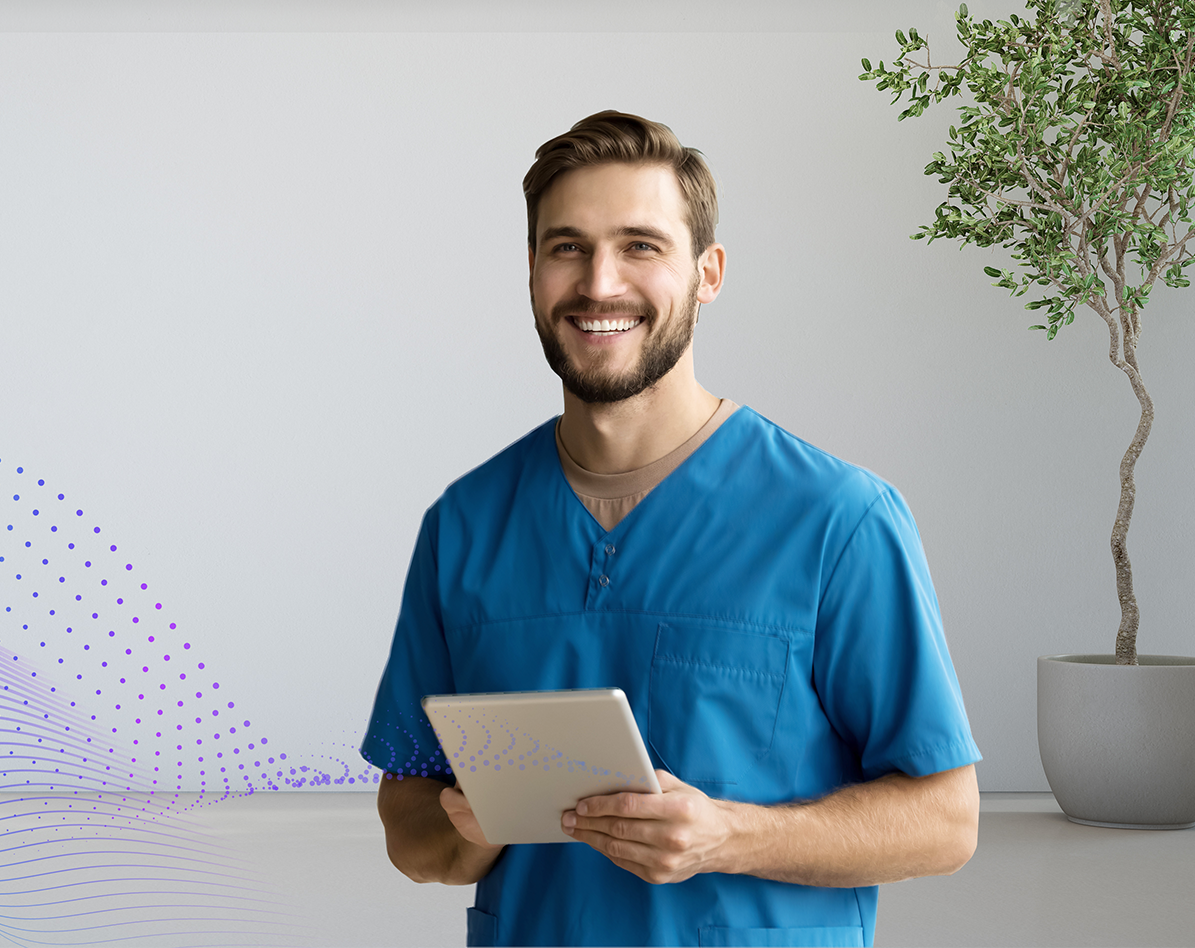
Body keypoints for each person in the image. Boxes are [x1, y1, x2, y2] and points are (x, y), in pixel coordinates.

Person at [362, 110, 981, 947]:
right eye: (567, 247)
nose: (599, 283)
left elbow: (946, 821)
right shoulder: (465, 527)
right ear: (533, 271)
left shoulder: (839, 520)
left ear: (706, 274)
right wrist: (469, 827)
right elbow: (408, 820)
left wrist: (733, 836)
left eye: (641, 246)